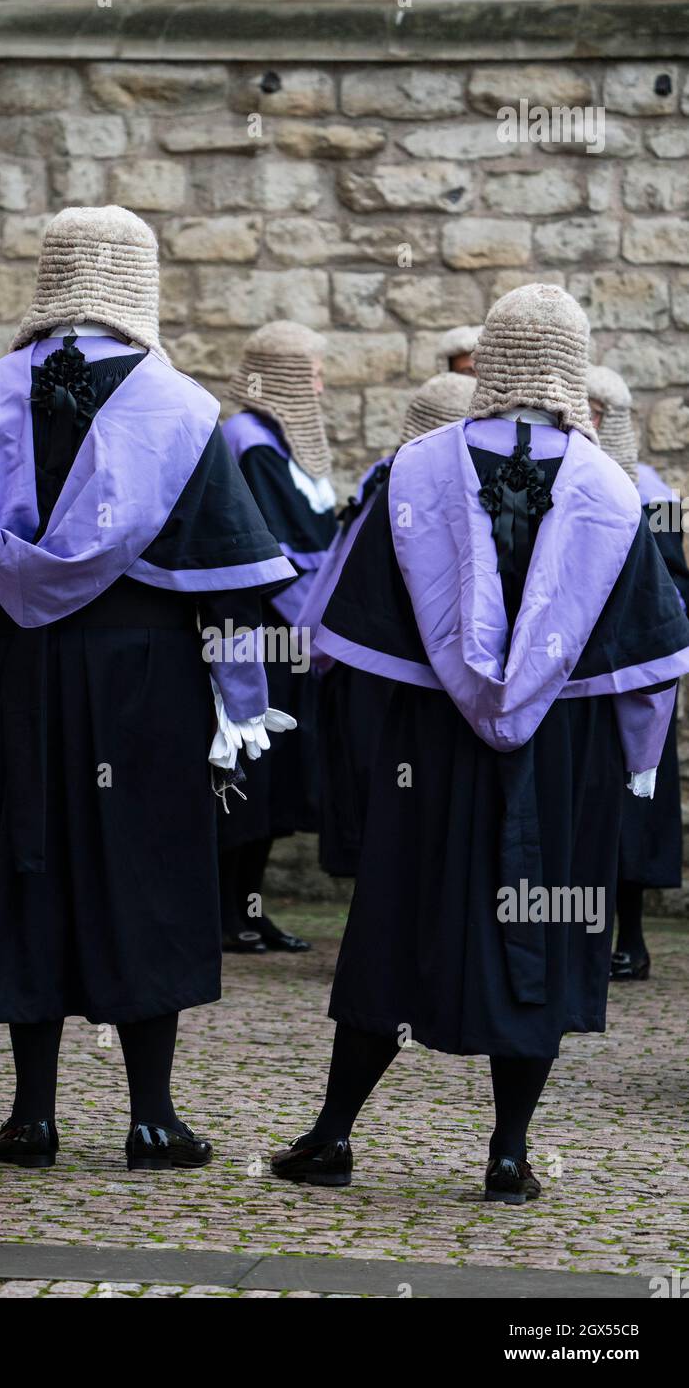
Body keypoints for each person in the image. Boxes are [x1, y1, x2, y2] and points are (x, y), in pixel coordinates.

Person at [0, 206, 296, 1172]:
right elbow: (231, 584)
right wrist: (240, 713)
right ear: (137, 285)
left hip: (16, 675)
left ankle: (32, 1116)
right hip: (144, 683)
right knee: (145, 875)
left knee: (24, 874)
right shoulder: (184, 411)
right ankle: (151, 1117)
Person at [270, 285, 689, 1202]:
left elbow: (353, 652)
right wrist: (641, 766)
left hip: (429, 749)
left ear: (492, 356)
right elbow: (649, 669)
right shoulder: (611, 491)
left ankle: (333, 1136)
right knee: (538, 931)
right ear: (572, 367)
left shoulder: (414, 471)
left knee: (396, 925)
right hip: (565, 756)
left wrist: (366, 772)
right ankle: (508, 1153)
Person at [300, 371, 475, 878]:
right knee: (394, 808)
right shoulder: (409, 489)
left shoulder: (388, 476)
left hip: (361, 662)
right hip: (389, 669)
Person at [218, 321, 338, 953]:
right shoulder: (249, 441)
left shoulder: (285, 449)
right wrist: (316, 626)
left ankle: (249, 907)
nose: (321, 385)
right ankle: (223, 912)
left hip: (293, 639)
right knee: (246, 776)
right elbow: (275, 552)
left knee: (275, 778)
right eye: (313, 373)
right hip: (262, 636)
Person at [588, 365, 689, 981]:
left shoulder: (654, 495)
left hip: (637, 670)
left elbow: (676, 585)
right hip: (581, 673)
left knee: (633, 804)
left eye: (599, 413)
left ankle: (633, 937)